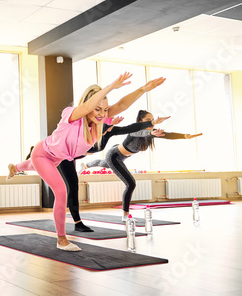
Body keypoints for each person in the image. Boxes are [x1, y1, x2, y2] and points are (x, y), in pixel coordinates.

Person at [10, 73, 166, 251]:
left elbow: (121, 105)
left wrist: (143, 89)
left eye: (105, 109)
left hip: (58, 157)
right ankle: (61, 240)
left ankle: (15, 167)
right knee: (61, 191)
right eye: (97, 109)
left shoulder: (101, 121)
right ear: (90, 105)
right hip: (43, 154)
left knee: (32, 166)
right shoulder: (72, 115)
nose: (101, 114)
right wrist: (110, 87)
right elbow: (87, 106)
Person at [82, 110, 202, 221]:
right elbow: (142, 132)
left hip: (121, 155)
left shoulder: (151, 133)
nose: (151, 122)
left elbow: (168, 135)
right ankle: (125, 215)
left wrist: (185, 136)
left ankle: (86, 165)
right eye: (147, 120)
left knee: (104, 164)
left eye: (152, 119)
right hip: (114, 155)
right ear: (140, 122)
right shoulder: (136, 131)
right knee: (130, 184)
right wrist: (151, 132)